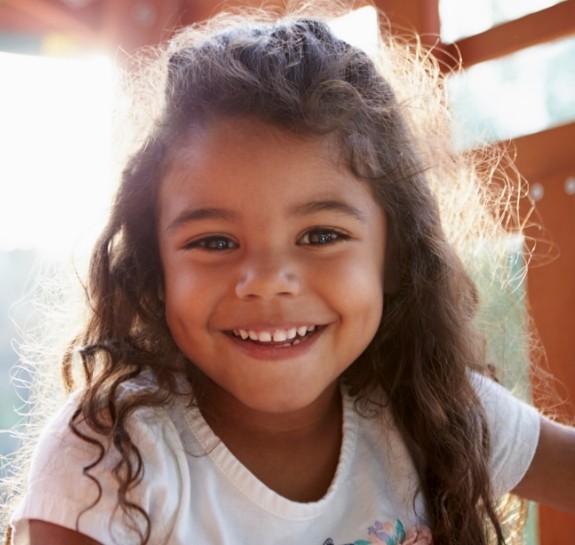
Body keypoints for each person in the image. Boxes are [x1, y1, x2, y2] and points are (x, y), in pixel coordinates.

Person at [3, 4, 575, 545]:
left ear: (394, 256)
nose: (268, 279)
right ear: (156, 273)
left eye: (321, 236)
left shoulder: (432, 409)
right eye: (214, 242)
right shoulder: (110, 456)